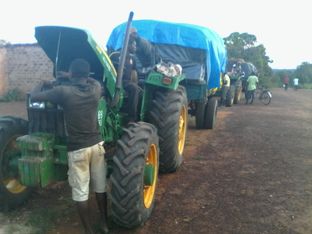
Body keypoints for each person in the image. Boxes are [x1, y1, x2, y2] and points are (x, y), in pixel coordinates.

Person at [30, 58, 109, 234]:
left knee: (81, 192)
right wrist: (78, 76)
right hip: (97, 146)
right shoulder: (95, 90)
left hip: (78, 149)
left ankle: (88, 230)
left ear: (71, 74)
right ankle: (104, 224)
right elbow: (95, 81)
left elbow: (34, 95)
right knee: (100, 187)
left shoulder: (63, 92)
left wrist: (43, 82)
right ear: (87, 75)